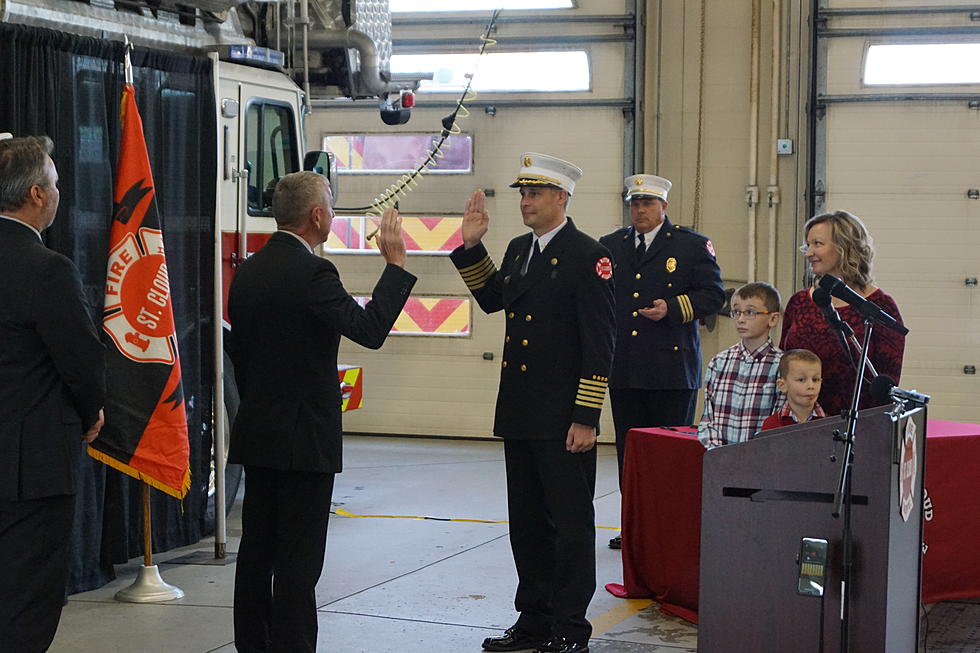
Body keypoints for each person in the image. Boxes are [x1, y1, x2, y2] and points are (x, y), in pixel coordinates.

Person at [227, 171, 415, 653]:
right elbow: (369, 329)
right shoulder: (314, 273)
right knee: (298, 562)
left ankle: (253, 643)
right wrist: (394, 266)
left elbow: (242, 356)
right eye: (330, 205)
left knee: (255, 554)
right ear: (316, 216)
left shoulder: (247, 269)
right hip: (303, 439)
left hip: (258, 430)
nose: (332, 214)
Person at [451, 153, 615, 653]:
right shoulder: (522, 248)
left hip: (563, 417)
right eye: (522, 193)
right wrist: (472, 247)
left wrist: (586, 417)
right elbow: (495, 298)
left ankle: (570, 630)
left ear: (562, 198)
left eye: (535, 193)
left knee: (569, 527)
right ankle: (533, 623)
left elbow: (600, 341)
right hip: (521, 412)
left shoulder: (589, 255)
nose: (525, 201)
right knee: (526, 526)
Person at [0, 134, 105, 652]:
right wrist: (92, 413)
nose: (61, 191)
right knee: (27, 603)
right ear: (37, 195)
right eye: (57, 181)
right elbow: (82, 362)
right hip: (31, 470)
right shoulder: (48, 269)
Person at [599, 174, 724, 549]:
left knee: (669, 457)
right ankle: (634, 526)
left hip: (672, 371)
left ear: (663, 207)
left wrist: (672, 308)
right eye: (635, 204)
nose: (639, 210)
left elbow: (713, 296)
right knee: (631, 455)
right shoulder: (611, 246)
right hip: (626, 368)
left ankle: (669, 528)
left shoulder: (690, 246)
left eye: (648, 204)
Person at [780, 210, 905, 417]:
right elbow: (785, 362)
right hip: (801, 424)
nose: (808, 253)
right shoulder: (799, 302)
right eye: (807, 245)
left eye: (817, 244)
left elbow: (885, 384)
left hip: (857, 427)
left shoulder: (880, 307)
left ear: (845, 247)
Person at [697, 282, 783, 448]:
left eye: (750, 312)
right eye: (736, 312)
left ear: (773, 319)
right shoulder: (719, 362)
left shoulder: (781, 366)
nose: (741, 319)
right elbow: (708, 419)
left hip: (760, 459)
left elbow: (777, 425)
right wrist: (717, 449)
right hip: (721, 459)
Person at [760, 349, 827, 430]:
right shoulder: (771, 425)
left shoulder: (831, 424)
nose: (811, 386)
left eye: (815, 380)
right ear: (782, 385)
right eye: (801, 380)